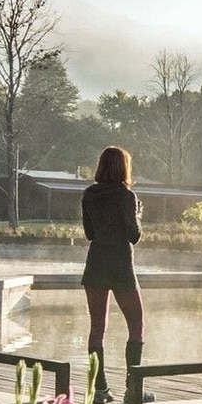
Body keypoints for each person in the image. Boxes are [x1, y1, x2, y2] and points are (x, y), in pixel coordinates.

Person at [81, 146, 144, 376]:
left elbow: (89, 233)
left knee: (97, 328)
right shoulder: (127, 196)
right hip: (120, 267)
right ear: (123, 167)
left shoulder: (89, 194)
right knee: (136, 326)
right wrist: (138, 215)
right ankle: (133, 387)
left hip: (96, 264)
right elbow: (134, 236)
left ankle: (97, 388)